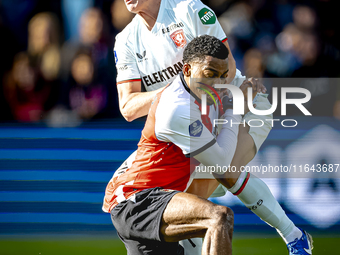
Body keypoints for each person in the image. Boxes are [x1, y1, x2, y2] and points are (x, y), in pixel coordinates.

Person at [112, 1, 313, 254]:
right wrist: (179, 90)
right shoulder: (126, 40)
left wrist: (200, 97)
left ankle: (294, 238)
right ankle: (295, 237)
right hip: (190, 120)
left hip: (244, 101)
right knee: (195, 205)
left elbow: (225, 67)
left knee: (223, 171)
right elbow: (128, 106)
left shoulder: (189, 9)